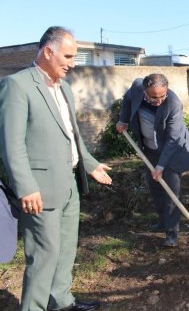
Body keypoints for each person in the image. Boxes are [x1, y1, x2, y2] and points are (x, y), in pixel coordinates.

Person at [0, 26, 112, 311]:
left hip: (69, 185)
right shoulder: (17, 85)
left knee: (64, 251)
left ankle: (61, 302)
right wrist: (26, 186)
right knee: (43, 256)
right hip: (39, 190)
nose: (72, 64)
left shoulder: (63, 87)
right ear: (48, 51)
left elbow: (72, 135)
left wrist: (90, 164)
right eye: (69, 56)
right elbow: (10, 144)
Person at [116, 73, 189, 247]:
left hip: (173, 150)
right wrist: (123, 119)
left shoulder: (173, 104)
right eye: (153, 97)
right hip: (149, 148)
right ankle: (163, 221)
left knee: (171, 191)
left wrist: (160, 165)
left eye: (162, 96)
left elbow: (172, 139)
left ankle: (171, 233)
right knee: (155, 188)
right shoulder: (137, 88)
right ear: (145, 91)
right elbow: (128, 99)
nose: (159, 100)